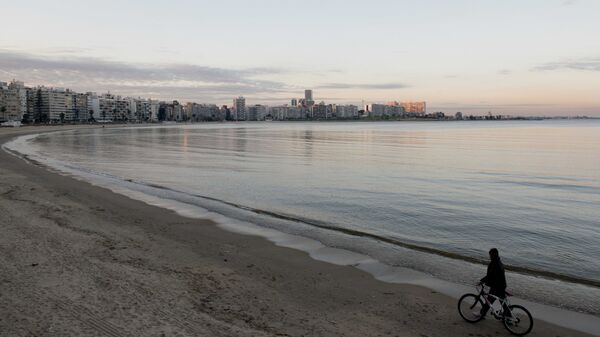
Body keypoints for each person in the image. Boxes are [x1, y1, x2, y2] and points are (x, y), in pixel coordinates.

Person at [478, 248, 510, 317]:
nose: (489, 257)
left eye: (490, 255)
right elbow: (491, 275)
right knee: (501, 302)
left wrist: (482, 281)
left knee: (489, 301)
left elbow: (491, 276)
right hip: (500, 285)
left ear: (493, 255)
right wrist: (485, 281)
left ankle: (482, 314)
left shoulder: (495, 264)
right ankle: (508, 316)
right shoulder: (497, 262)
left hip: (497, 286)